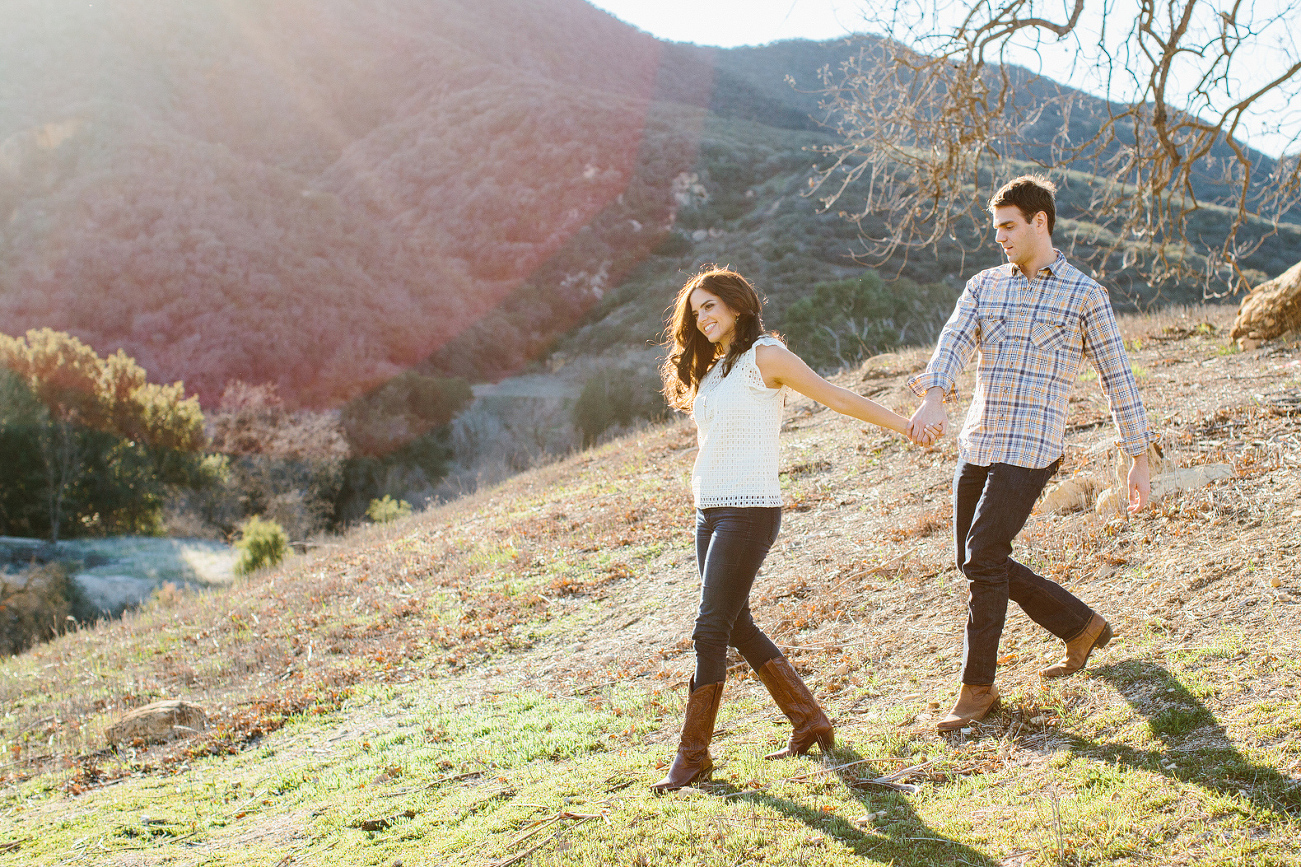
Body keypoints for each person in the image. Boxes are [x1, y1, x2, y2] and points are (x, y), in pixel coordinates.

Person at [652, 267, 937, 792]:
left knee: (709, 629)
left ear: (736, 305)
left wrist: (907, 425)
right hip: (710, 511)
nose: (704, 318)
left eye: (710, 306)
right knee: (736, 626)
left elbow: (838, 397)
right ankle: (809, 722)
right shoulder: (712, 370)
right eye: (696, 312)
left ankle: (692, 758)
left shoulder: (767, 357)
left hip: (750, 510)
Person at [907, 175, 1156, 732]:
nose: (1000, 238)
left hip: (1032, 446)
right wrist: (934, 398)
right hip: (979, 442)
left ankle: (978, 688)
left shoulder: (1084, 295)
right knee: (975, 559)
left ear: (1039, 221)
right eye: (996, 228)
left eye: (1008, 226)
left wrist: (1138, 457)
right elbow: (952, 343)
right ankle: (1081, 626)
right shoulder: (983, 286)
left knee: (984, 552)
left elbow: (1119, 379)